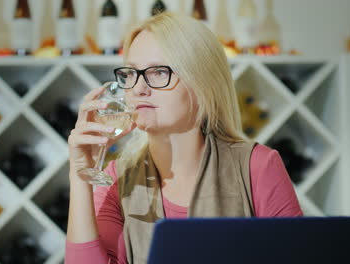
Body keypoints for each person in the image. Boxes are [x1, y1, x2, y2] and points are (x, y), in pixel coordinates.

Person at [65, 12, 303, 264]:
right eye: (132, 74)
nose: (138, 88)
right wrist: (81, 175)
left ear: (202, 84)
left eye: (158, 72)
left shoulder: (257, 167)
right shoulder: (117, 179)